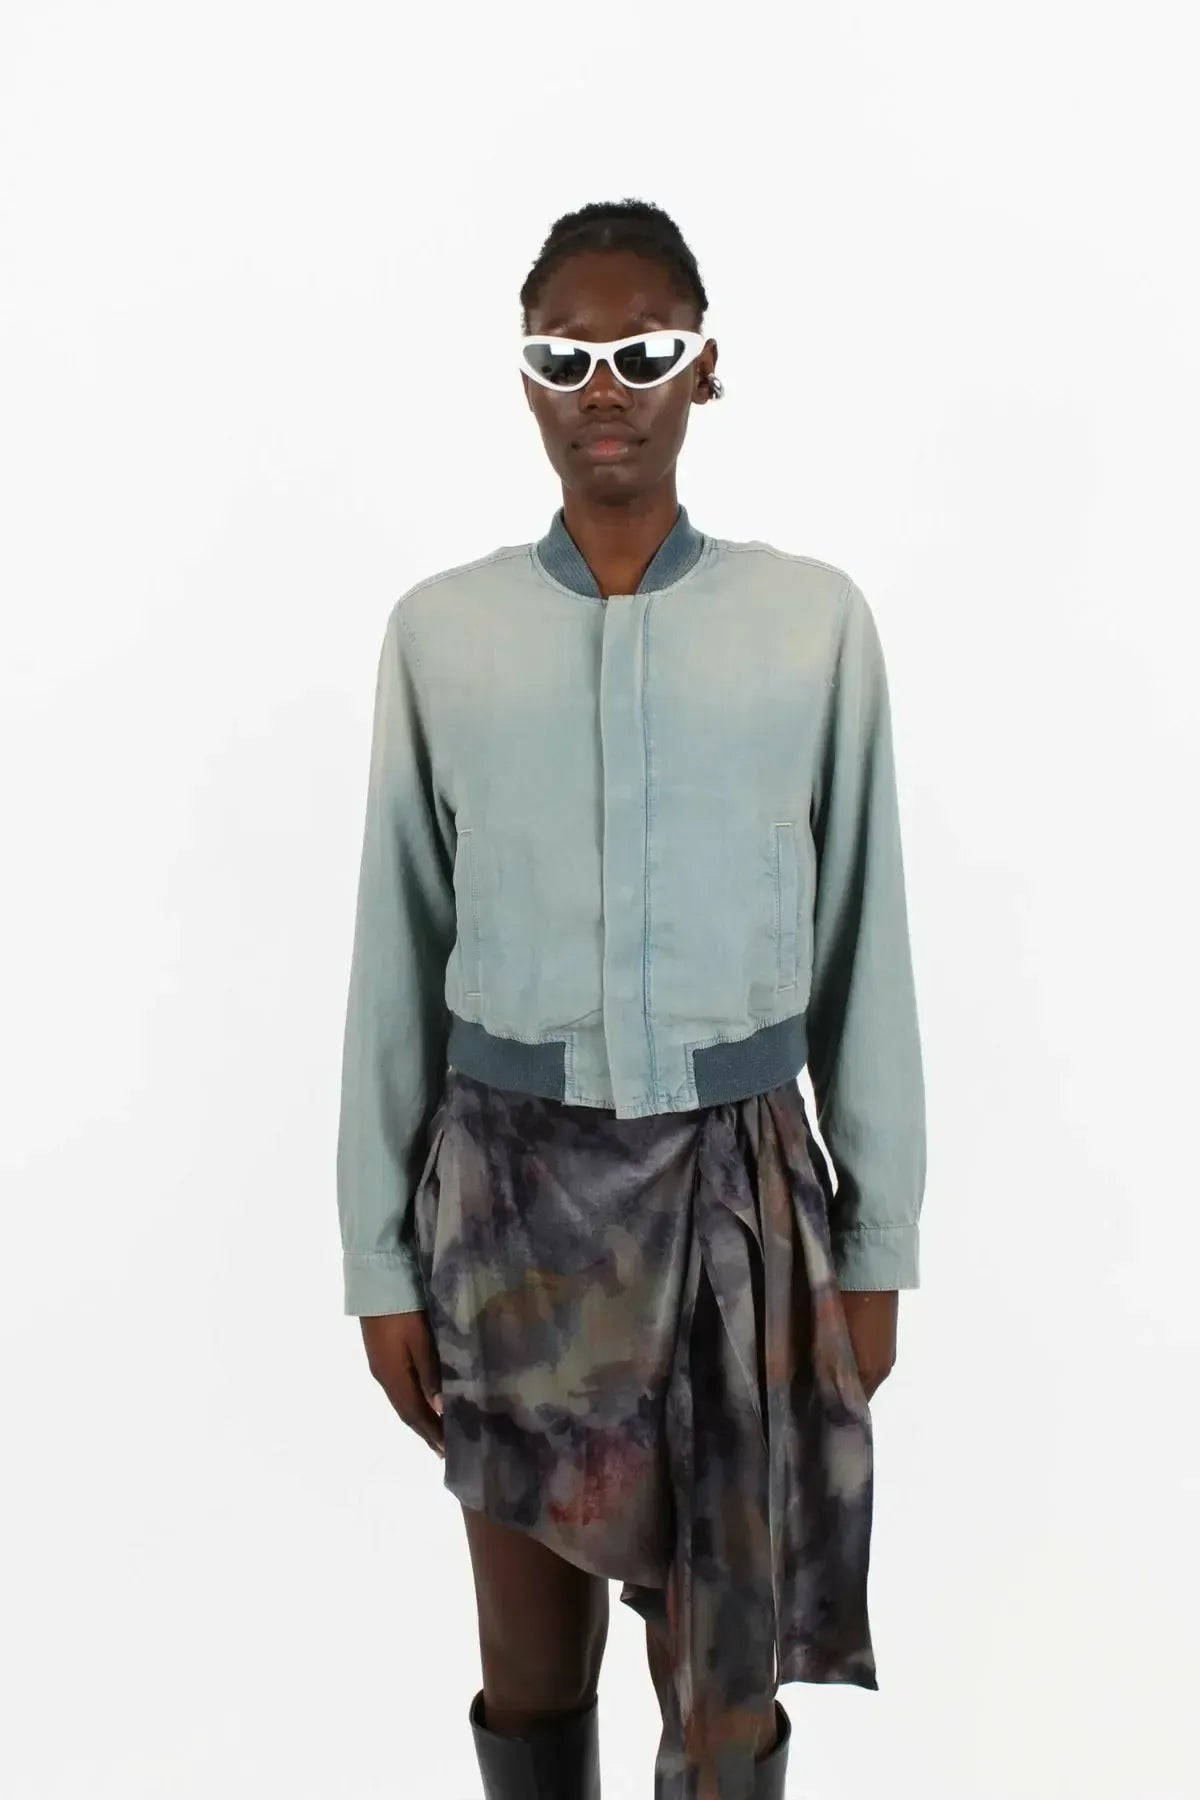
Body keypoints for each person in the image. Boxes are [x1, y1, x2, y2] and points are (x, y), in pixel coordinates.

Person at [335, 198, 927, 1800]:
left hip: (741, 1203)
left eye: (644, 352)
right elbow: (396, 953)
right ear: (526, 381)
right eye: (565, 357)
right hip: (508, 1208)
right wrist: (378, 1260)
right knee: (531, 1664)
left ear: (704, 370)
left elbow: (866, 942)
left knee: (724, 1678)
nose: (605, 387)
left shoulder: (812, 626)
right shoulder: (440, 637)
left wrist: (877, 1243)